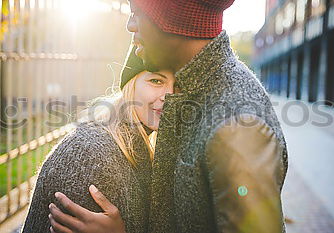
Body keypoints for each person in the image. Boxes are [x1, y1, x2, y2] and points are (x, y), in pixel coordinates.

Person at [49, 0, 289, 232]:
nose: (130, 25)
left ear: (171, 17)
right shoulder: (198, 87)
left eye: (136, 12)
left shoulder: (237, 127)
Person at [21, 46, 176, 233]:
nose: (170, 96)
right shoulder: (89, 156)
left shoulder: (143, 144)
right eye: (156, 80)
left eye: (179, 85)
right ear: (131, 84)